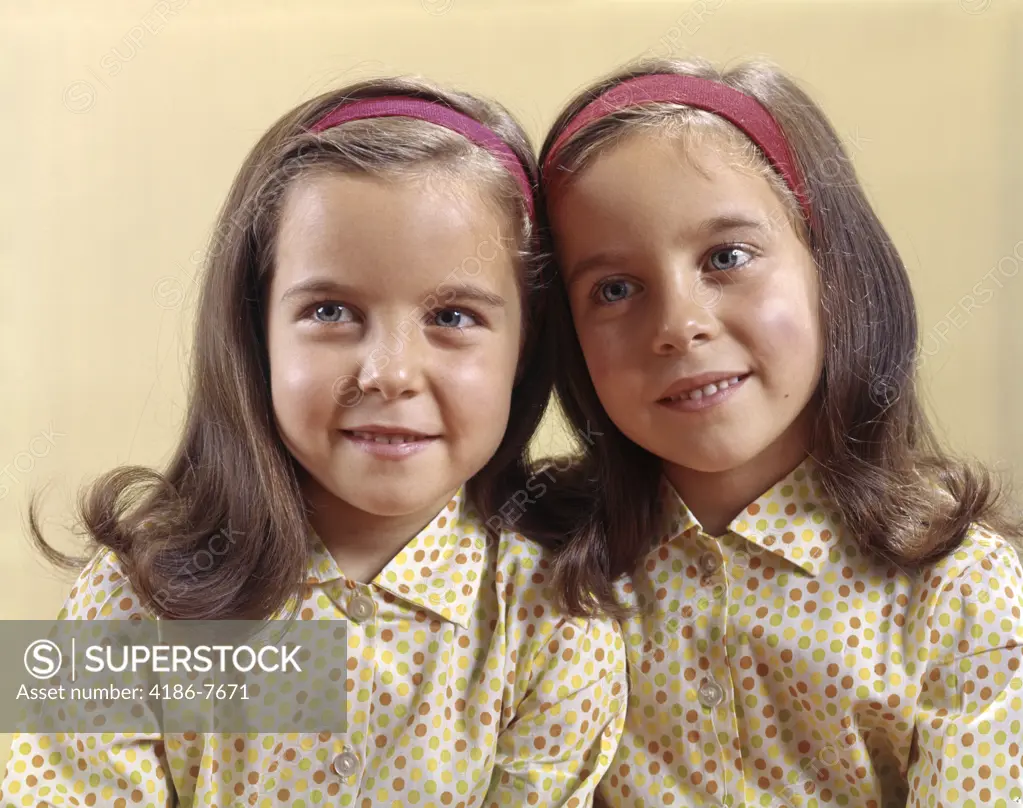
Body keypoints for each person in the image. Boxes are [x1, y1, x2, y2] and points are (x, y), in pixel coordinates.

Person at [1, 76, 627, 808]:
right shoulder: (128, 596)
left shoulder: (558, 619)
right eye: (331, 310)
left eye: (452, 317)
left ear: (524, 346)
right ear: (256, 331)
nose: (389, 373)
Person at [536, 58, 1023, 807]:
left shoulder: (960, 589)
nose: (678, 326)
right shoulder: (527, 563)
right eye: (615, 289)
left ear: (831, 268)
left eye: (726, 257)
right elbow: (292, 729)